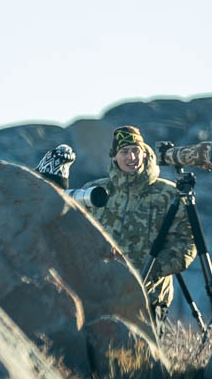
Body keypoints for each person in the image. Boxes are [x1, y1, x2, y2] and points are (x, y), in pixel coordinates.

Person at [84, 126, 197, 318]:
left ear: (144, 153)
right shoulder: (93, 192)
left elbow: (187, 243)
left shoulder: (168, 194)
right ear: (114, 156)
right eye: (124, 152)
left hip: (149, 300)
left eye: (136, 150)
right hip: (100, 296)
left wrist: (155, 270)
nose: (131, 157)